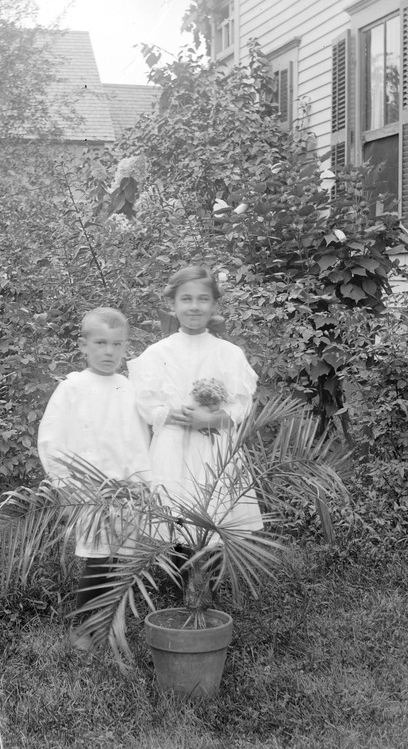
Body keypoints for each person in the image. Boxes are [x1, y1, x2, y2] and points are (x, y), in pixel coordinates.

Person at [127, 266, 263, 555]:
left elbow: (241, 403)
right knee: (176, 513)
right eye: (186, 299)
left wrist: (213, 418)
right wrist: (170, 413)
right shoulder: (158, 353)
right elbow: (146, 402)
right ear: (172, 304)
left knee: (215, 513)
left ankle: (207, 583)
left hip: (215, 447)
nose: (194, 306)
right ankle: (183, 580)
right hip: (174, 445)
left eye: (203, 299)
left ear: (214, 304)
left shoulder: (228, 353)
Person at [37, 307, 151, 649]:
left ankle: (115, 625)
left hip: (130, 491)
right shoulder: (73, 388)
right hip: (91, 491)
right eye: (100, 343)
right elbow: (51, 440)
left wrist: (144, 481)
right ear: (83, 345)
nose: (108, 352)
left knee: (125, 561)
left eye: (117, 344)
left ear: (125, 346)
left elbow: (140, 440)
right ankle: (85, 628)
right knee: (98, 558)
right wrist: (66, 484)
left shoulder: (130, 389)